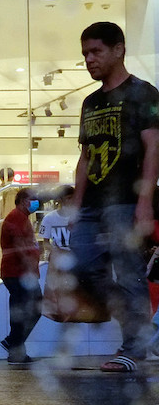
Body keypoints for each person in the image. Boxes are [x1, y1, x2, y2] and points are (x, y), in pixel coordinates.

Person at [70, 22, 159, 373]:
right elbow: (85, 157)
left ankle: (134, 348)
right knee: (80, 264)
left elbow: (154, 147)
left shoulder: (144, 94)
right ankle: (139, 329)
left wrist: (145, 201)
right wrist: (75, 205)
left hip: (126, 199)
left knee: (129, 272)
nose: (89, 60)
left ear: (118, 49)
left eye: (96, 52)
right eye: (85, 55)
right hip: (92, 203)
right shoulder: (90, 102)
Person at [0, 188, 42, 366]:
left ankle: (15, 345)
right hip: (18, 273)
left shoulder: (20, 217)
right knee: (31, 309)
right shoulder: (17, 218)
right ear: (24, 200)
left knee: (25, 310)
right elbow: (19, 246)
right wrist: (30, 266)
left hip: (19, 272)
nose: (36, 203)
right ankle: (15, 344)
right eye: (33, 200)